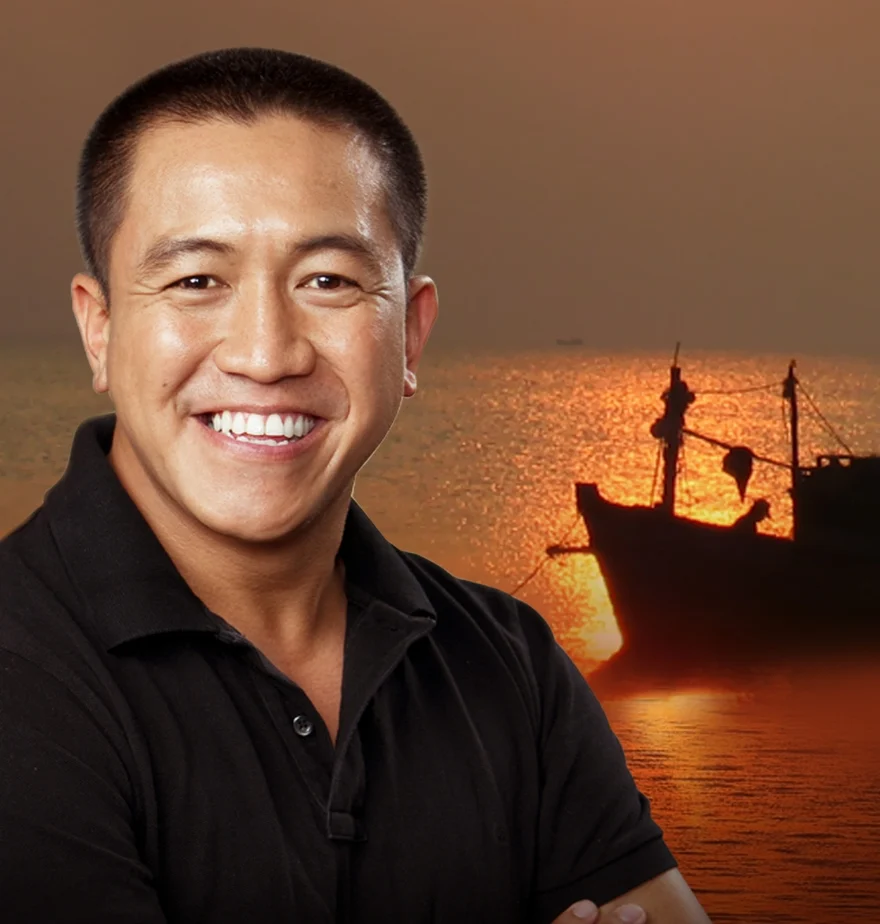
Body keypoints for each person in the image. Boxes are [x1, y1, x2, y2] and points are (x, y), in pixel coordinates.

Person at [0, 48, 711, 923]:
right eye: (196, 281)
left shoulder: (509, 663)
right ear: (98, 329)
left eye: (328, 281)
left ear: (410, 337)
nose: (265, 353)